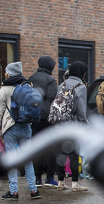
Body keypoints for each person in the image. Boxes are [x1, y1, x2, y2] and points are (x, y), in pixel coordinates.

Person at [0, 62, 40, 200]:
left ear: (9, 73)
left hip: (10, 128)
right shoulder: (27, 86)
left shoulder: (4, 89)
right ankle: (33, 190)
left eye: (6, 71)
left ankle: (13, 192)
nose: (5, 74)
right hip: (25, 126)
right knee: (28, 160)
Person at [55, 61, 90, 192]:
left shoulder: (62, 84)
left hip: (60, 125)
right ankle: (75, 183)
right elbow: (81, 111)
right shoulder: (81, 86)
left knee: (62, 153)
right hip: (74, 126)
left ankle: (60, 181)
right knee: (75, 154)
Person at [28, 55, 60, 188]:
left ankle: (37, 178)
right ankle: (50, 177)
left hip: (33, 118)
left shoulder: (31, 78)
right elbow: (52, 99)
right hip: (47, 119)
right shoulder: (51, 80)